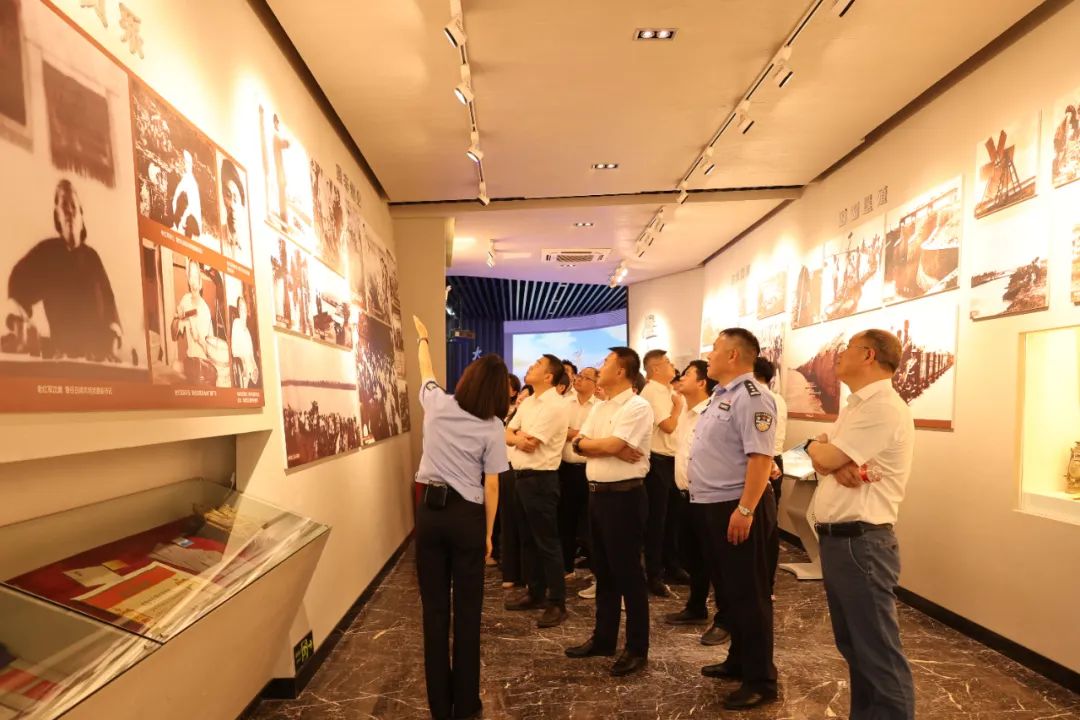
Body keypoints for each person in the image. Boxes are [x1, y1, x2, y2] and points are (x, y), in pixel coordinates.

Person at [805, 329, 916, 720]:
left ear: (868, 355)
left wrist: (820, 451)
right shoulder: (856, 405)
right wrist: (825, 454)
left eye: (847, 348)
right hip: (842, 542)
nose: (838, 355)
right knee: (855, 648)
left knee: (878, 653)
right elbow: (826, 456)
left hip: (862, 543)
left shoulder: (882, 406)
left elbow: (826, 454)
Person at [412, 315, 508, 720]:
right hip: (468, 517)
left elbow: (427, 371)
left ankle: (440, 706)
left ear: (467, 379)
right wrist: (488, 534)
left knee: (434, 612)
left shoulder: (437, 404)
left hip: (430, 514)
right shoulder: (494, 426)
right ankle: (466, 704)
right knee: (468, 613)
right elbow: (492, 485)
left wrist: (424, 338)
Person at [689, 328, 778, 710]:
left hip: (736, 506)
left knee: (750, 594)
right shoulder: (721, 395)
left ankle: (761, 680)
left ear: (733, 356)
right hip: (712, 504)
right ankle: (739, 660)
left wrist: (745, 510)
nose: (708, 355)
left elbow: (760, 458)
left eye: (714, 349)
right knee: (729, 592)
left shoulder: (753, 397)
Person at [565, 347, 653, 677]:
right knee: (603, 571)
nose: (600, 367)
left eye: (605, 363)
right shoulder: (601, 406)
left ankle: (636, 648)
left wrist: (604, 446)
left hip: (625, 498)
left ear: (621, 371)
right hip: (597, 497)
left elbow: (612, 445)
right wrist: (601, 446)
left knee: (628, 574)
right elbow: (579, 443)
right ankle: (603, 639)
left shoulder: (638, 406)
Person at [4, 179, 123, 363]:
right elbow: (18, 282)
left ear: (81, 215)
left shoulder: (92, 258)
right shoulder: (46, 253)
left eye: (73, 206)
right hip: (61, 359)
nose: (69, 212)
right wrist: (21, 322)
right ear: (57, 216)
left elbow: (109, 303)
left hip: (97, 360)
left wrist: (113, 338)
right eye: (63, 206)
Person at [663, 360, 728, 645]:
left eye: (687, 374)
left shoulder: (713, 412)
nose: (680, 378)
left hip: (709, 498)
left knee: (717, 560)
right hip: (685, 496)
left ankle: (725, 620)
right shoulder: (686, 413)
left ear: (702, 382)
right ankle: (696, 606)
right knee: (693, 557)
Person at [504, 354, 571, 627]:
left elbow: (532, 442)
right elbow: (507, 432)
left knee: (547, 542)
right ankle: (535, 593)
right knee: (527, 540)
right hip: (521, 478)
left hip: (541, 479)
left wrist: (517, 438)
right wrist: (517, 438)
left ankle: (557, 602)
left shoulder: (556, 404)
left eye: (537, 365)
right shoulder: (529, 401)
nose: (530, 366)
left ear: (549, 376)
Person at [639, 349, 685, 596]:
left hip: (672, 459)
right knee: (657, 520)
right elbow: (667, 426)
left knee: (672, 517)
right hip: (657, 461)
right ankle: (653, 574)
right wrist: (677, 408)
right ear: (655, 368)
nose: (672, 364)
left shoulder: (668, 391)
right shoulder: (653, 391)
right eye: (667, 362)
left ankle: (672, 566)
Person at [559, 366, 598, 577]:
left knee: (590, 522)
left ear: (595, 383)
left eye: (585, 377)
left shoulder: (599, 406)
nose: (579, 379)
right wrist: (581, 435)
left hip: (590, 469)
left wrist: (573, 434)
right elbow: (557, 430)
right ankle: (566, 566)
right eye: (579, 376)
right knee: (566, 519)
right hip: (566, 468)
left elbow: (596, 436)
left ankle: (595, 570)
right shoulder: (565, 403)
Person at [754, 357, 787, 597]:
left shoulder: (762, 399)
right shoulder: (776, 398)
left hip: (766, 462)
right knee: (768, 525)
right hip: (772, 459)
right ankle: (764, 583)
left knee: (765, 526)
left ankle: (764, 584)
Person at [172, 259, 215, 385]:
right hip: (190, 359)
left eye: (196, 276)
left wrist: (197, 336)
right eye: (191, 276)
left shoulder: (204, 309)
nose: (193, 280)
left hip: (203, 362)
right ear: (188, 279)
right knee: (174, 365)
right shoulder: (185, 300)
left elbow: (207, 349)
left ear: (200, 282)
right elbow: (174, 333)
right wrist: (177, 318)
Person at [220, 157, 251, 265]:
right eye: (228, 196)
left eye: (236, 199)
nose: (232, 206)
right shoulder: (216, 239)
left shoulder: (248, 250)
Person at [172, 150, 203, 238]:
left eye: (187, 162)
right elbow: (177, 194)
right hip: (184, 217)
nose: (184, 164)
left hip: (190, 219)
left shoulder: (190, 180)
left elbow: (192, 205)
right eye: (184, 161)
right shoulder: (186, 177)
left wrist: (184, 218)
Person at [230, 294, 258, 388]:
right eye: (241, 308)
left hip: (250, 364)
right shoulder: (236, 323)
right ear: (238, 310)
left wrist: (254, 365)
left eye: (245, 308)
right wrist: (243, 362)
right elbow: (234, 349)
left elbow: (251, 353)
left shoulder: (247, 330)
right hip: (242, 364)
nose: (244, 311)